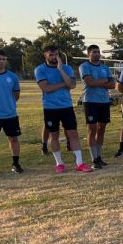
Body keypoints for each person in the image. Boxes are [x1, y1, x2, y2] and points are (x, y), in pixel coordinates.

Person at [34, 45, 93, 173]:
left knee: (73, 134)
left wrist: (61, 70)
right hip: (50, 108)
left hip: (66, 107)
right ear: (45, 55)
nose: (54, 57)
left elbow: (71, 85)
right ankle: (59, 163)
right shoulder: (40, 70)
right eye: (51, 55)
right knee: (54, 135)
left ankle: (80, 163)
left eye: (56, 54)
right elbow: (46, 89)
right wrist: (63, 84)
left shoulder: (66, 68)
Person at [79, 45, 115, 168]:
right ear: (88, 54)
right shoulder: (84, 66)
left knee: (101, 129)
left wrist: (98, 82)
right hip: (90, 101)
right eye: (93, 52)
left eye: (98, 52)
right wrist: (104, 81)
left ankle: (99, 157)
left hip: (104, 101)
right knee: (92, 129)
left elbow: (112, 85)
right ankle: (93, 159)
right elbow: (89, 82)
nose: (96, 54)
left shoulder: (105, 67)